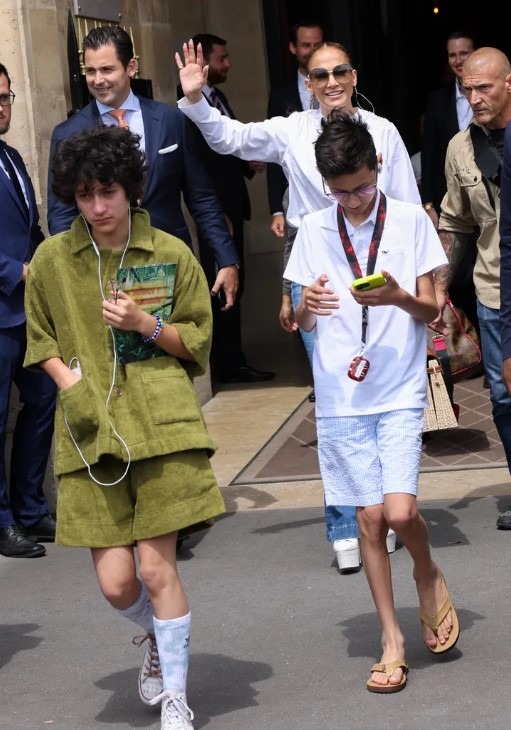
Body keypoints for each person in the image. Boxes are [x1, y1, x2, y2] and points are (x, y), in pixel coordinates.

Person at [174, 39, 419, 569]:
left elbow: (404, 204)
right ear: (307, 83)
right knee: (335, 395)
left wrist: (414, 280)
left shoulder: (383, 133)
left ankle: (379, 510)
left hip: (377, 272)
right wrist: (196, 98)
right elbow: (232, 138)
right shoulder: (292, 130)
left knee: (378, 392)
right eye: (320, 75)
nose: (331, 82)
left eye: (340, 71)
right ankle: (346, 524)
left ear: (354, 76)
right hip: (317, 275)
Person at [24, 125, 225, 729]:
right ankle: (161, 637)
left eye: (107, 191)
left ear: (132, 189)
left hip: (161, 426)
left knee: (158, 568)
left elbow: (197, 343)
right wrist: (71, 385)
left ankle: (177, 700)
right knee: (116, 583)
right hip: (90, 432)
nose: (97, 206)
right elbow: (41, 339)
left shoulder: (171, 251)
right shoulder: (52, 259)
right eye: (85, 195)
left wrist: (145, 324)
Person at [285, 109, 458, 692]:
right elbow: (300, 318)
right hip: (341, 392)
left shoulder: (409, 221)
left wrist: (398, 297)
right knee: (369, 518)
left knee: (401, 513)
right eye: (341, 193)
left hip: (400, 384)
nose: (354, 202)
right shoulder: (314, 229)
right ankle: (391, 639)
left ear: (377, 166)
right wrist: (306, 305)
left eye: (361, 188)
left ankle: (426, 572)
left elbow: (431, 309)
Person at [47, 25, 239, 310]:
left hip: (170, 261)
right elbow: (62, 216)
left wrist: (227, 259)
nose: (98, 80)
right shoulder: (68, 133)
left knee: (179, 336)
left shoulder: (172, 120)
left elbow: (201, 197)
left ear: (131, 67)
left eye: (107, 69)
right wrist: (74, 272)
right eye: (90, 71)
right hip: (103, 272)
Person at [434, 47, 511, 530]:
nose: (475, 97)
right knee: (503, 396)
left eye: (484, 87)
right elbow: (456, 223)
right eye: (468, 89)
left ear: (508, 83)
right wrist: (439, 289)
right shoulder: (460, 149)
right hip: (493, 290)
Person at [178, 33, 273, 384]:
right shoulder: (189, 104)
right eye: (222, 58)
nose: (228, 64)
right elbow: (202, 165)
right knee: (222, 286)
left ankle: (234, 359)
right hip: (217, 211)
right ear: (202, 61)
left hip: (232, 203)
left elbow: (227, 145)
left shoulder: (218, 96)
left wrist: (247, 163)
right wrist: (218, 214)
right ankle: (225, 364)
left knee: (236, 282)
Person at [0, 61, 56, 558]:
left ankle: (31, 508)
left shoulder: (13, 158)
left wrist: (46, 266)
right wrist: (13, 271)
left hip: (30, 312)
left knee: (42, 402)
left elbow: (32, 230)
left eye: (5, 97)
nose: (1, 107)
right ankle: (3, 522)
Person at [421, 29, 479, 329]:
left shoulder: (491, 95)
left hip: (487, 199)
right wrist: (429, 204)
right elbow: (429, 154)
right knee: (459, 278)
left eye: (464, 53)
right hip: (452, 201)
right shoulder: (437, 100)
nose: (458, 60)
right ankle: (472, 340)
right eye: (452, 55)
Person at [266, 19, 324, 240]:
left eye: (317, 45)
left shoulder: (339, 86)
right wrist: (276, 210)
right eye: (306, 45)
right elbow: (273, 152)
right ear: (293, 47)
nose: (312, 51)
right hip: (297, 199)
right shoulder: (280, 96)